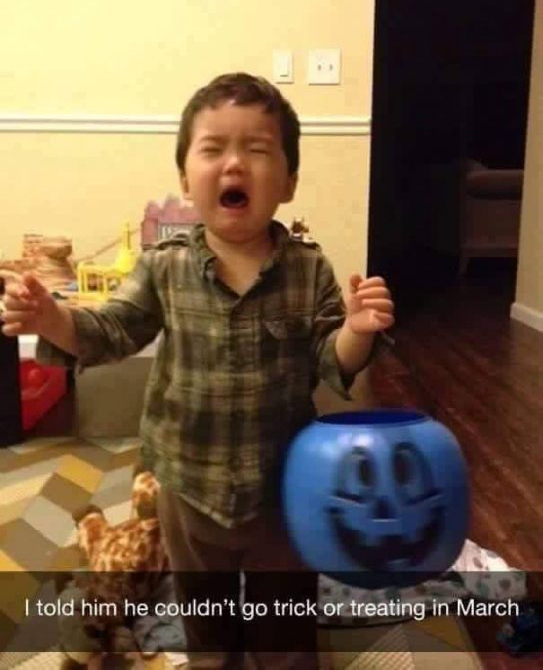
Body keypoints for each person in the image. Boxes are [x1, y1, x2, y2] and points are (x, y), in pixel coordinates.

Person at [2, 72, 395, 669]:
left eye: (257, 149)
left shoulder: (308, 269)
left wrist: (356, 332)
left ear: (287, 181)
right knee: (205, 611)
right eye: (213, 149)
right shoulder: (166, 267)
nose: (234, 164)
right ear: (187, 178)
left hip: (284, 484)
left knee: (284, 618)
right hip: (186, 482)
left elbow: (328, 358)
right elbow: (111, 332)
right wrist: (53, 320)